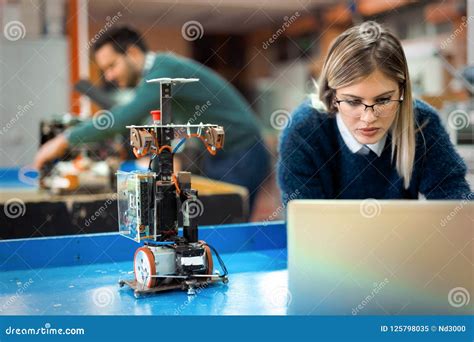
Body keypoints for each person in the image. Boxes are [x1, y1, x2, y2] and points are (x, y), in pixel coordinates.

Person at [34, 26, 269, 213]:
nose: (109, 76)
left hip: (242, 152)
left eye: (112, 66)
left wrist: (63, 140)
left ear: (133, 53)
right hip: (222, 154)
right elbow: (163, 123)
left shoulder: (163, 70)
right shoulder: (160, 72)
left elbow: (124, 117)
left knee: (227, 226)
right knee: (214, 223)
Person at [278, 21, 472, 203]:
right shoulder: (303, 131)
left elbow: (455, 202)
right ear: (332, 95)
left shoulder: (422, 122)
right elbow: (306, 225)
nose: (369, 118)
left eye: (383, 100)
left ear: (402, 91)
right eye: (353, 102)